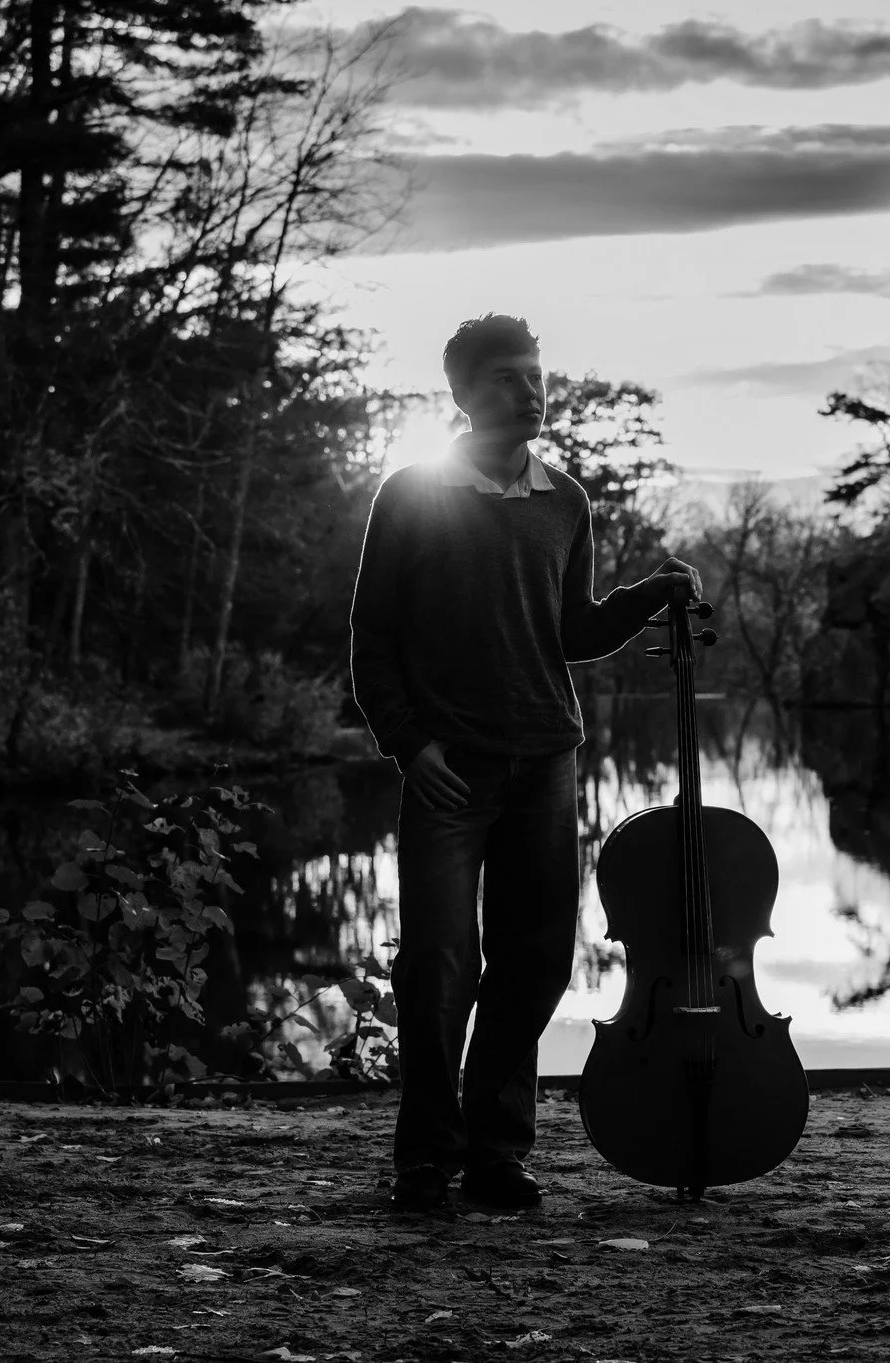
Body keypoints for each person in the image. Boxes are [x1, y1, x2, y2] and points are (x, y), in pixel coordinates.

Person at [348, 313, 700, 1212]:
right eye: (506, 376)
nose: (529, 388)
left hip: (547, 759)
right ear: (464, 396)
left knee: (538, 960)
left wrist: (647, 595)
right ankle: (425, 1157)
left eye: (535, 372)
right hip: (450, 768)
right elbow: (372, 639)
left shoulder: (565, 500)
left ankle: (496, 1153)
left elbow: (569, 630)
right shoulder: (410, 494)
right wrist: (410, 744)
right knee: (437, 965)